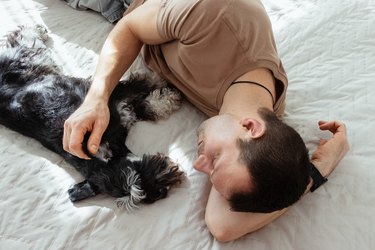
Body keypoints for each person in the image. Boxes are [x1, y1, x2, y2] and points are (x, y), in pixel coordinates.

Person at [63, 0, 349, 242]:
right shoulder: (219, 14)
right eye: (215, 160)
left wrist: (317, 169)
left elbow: (222, 226)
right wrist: (96, 99)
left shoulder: (260, 127)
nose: (199, 165)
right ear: (250, 127)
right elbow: (130, 27)